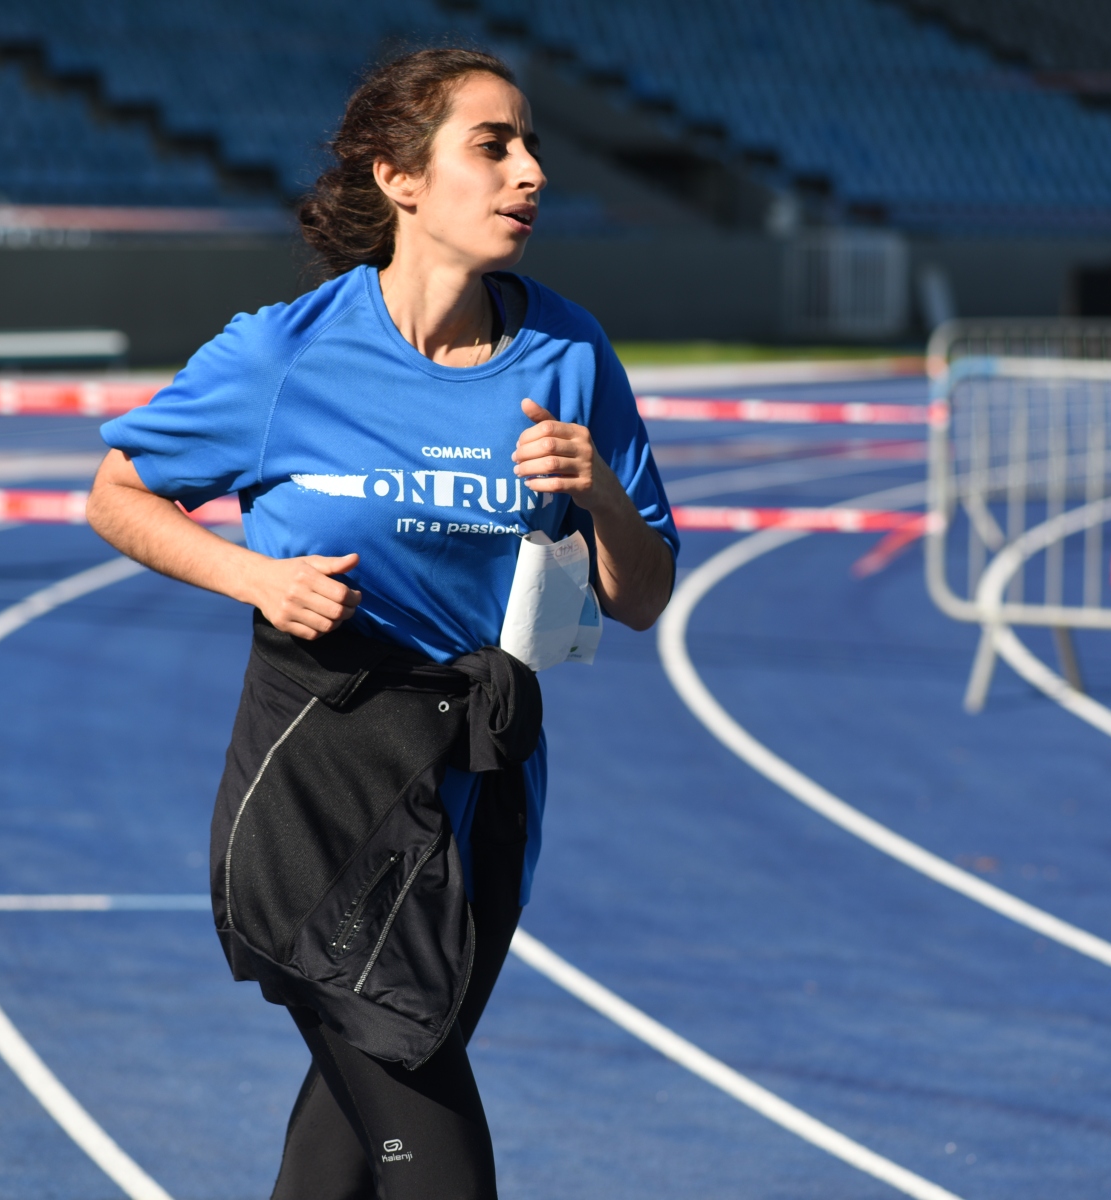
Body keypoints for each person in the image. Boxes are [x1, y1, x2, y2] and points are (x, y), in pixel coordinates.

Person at [84, 47, 678, 1200]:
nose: (530, 172)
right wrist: (255, 578)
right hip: (325, 779)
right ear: (399, 177)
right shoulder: (284, 353)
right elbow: (116, 496)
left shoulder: (570, 353)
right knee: (433, 1153)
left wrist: (601, 491)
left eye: (531, 146)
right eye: (492, 146)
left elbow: (643, 596)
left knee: (347, 1145)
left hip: (484, 791)